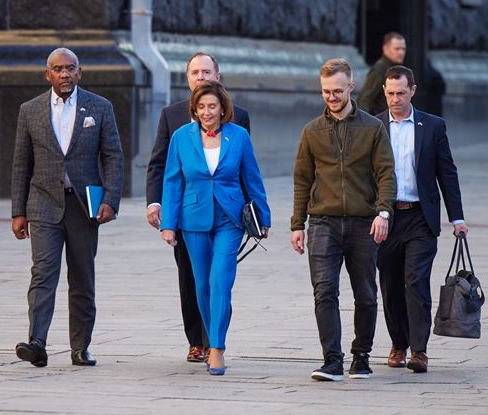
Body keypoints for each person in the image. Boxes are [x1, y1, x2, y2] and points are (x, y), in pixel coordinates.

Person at [10, 47, 124, 368]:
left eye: (70, 68)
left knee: (83, 278)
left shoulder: (99, 107)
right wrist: (18, 211)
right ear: (48, 74)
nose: (64, 74)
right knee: (43, 274)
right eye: (58, 69)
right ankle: (37, 342)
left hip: (84, 206)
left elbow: (113, 156)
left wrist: (110, 200)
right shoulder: (29, 110)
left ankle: (80, 347)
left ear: (79, 72)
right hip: (43, 205)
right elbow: (21, 164)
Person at [290, 58, 396, 381]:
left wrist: (383, 212)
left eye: (337, 91)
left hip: (364, 223)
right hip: (323, 221)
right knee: (324, 291)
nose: (332, 97)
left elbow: (386, 174)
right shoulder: (311, 132)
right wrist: (297, 224)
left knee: (365, 292)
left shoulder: (373, 128)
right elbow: (302, 179)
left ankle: (361, 356)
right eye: (326, 92)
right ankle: (331, 360)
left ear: (351, 87)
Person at [146, 52, 250, 363]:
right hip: (188, 213)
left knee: (219, 277)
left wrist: (249, 213)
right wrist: (157, 204)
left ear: (218, 77)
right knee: (191, 277)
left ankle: (213, 342)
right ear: (188, 78)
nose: (201, 77)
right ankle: (196, 339)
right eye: (195, 72)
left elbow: (245, 169)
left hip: (226, 214)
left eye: (206, 71)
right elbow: (161, 166)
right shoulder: (171, 116)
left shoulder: (239, 118)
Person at [160, 81, 270, 376]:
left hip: (229, 218)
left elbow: (253, 178)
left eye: (212, 106)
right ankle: (210, 341)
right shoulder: (181, 137)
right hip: (193, 217)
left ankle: (217, 347)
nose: (207, 112)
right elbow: (171, 182)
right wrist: (168, 224)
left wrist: (264, 218)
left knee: (221, 280)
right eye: (201, 107)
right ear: (194, 110)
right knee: (203, 285)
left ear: (223, 109)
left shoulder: (239, 136)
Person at [376, 65, 467, 373]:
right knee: (389, 284)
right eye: (390, 93)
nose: (395, 99)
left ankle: (419, 350)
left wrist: (457, 218)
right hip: (385, 218)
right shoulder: (374, 126)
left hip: (420, 217)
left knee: (415, 281)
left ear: (412, 91)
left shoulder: (433, 126)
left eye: (401, 93)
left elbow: (447, 172)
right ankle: (398, 344)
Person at [358, 32, 407, 115]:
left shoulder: (397, 68)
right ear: (385, 49)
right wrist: (367, 125)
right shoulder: (379, 70)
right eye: (397, 49)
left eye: (403, 49)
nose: (401, 52)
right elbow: (364, 99)